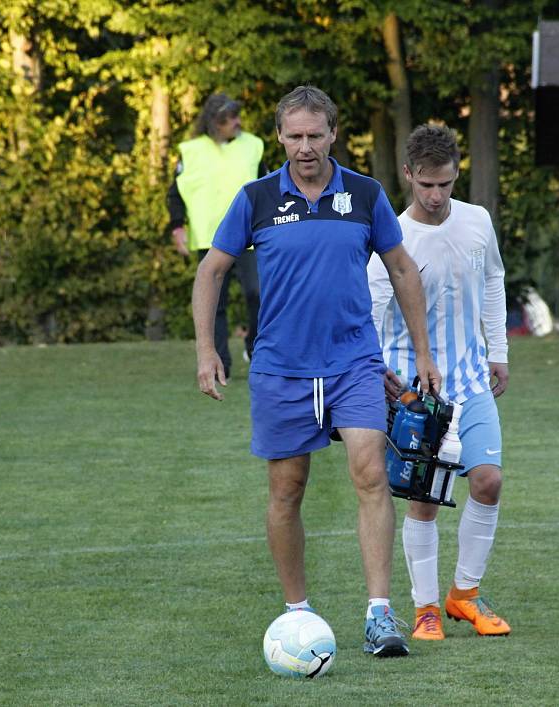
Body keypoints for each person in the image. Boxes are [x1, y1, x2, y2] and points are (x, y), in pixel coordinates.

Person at [192, 86, 441, 657]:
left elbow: (402, 270)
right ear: (279, 137)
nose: (305, 147)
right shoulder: (255, 198)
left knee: (370, 471)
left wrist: (422, 354)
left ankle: (380, 614)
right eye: (294, 135)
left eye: (315, 135)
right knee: (287, 489)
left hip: (355, 362)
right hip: (281, 369)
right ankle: (297, 615)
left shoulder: (365, 194)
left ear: (333, 133)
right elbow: (211, 273)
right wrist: (207, 350)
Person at [367, 124, 511, 641]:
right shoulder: (392, 239)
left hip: (472, 381)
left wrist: (499, 351)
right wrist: (375, 370)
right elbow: (371, 313)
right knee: (425, 501)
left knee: (488, 481)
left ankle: (464, 596)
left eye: (445, 184)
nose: (435, 196)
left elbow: (493, 280)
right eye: (426, 185)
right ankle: (426, 607)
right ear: (408, 175)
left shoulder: (477, 222)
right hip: (418, 394)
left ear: (456, 176)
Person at [167, 93, 265, 377]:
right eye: (230, 119)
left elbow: (268, 188)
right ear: (214, 122)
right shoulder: (190, 151)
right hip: (209, 237)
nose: (237, 122)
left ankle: (254, 345)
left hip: (251, 235)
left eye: (237, 116)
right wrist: (177, 227)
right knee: (215, 304)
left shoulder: (253, 146)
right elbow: (175, 194)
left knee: (258, 292)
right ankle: (221, 363)